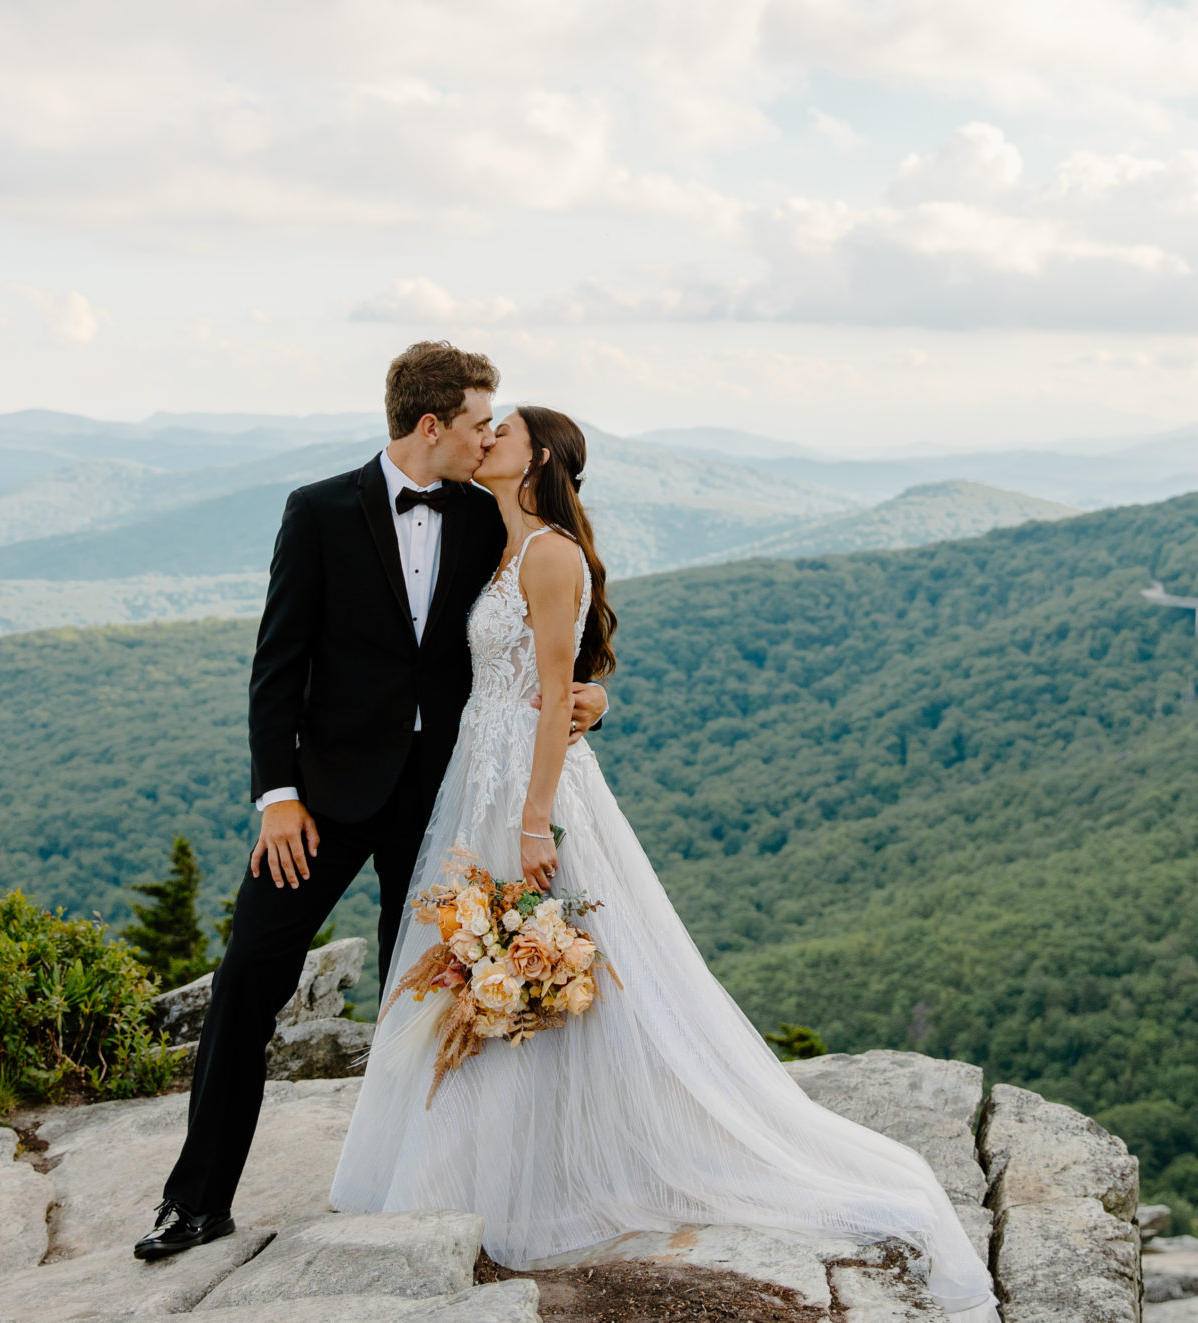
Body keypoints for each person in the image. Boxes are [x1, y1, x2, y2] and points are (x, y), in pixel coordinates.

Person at [328, 405, 998, 1322]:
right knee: (473, 970)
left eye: (506, 431)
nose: (487, 438)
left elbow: (558, 684)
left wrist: (534, 824)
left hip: (528, 786)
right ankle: (469, 1164)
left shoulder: (553, 552)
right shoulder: (494, 536)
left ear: (542, 458)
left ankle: (528, 1176)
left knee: (535, 974)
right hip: (473, 779)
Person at [135, 342, 608, 1260]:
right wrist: (278, 795)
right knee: (248, 978)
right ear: (433, 425)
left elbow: (550, 632)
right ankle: (194, 1201)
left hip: (445, 797)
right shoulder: (316, 511)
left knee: (427, 989)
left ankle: (424, 1187)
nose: (487, 436)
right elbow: (277, 666)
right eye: (478, 421)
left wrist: (593, 694)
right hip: (321, 799)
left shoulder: (489, 518)